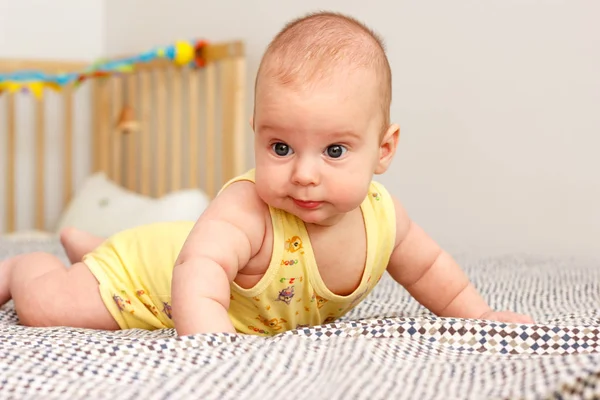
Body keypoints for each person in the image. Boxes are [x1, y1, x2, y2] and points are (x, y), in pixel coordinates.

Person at [0, 11, 534, 337]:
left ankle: (90, 246)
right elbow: (197, 269)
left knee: (158, 245)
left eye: (334, 150)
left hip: (169, 249)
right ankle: (26, 267)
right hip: (147, 282)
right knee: (49, 307)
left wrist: (479, 314)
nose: (303, 173)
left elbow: (429, 270)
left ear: (383, 150)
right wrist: (209, 348)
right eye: (280, 146)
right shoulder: (248, 208)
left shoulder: (385, 219)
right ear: (255, 132)